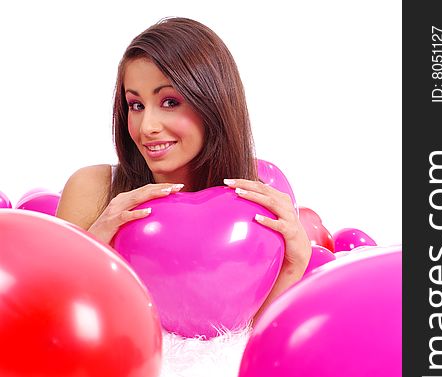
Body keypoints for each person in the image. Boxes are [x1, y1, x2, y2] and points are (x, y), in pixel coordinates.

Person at [57, 17, 311, 324]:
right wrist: (95, 245)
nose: (147, 126)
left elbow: (246, 343)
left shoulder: (262, 197)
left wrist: (294, 266)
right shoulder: (93, 188)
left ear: (213, 104)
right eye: (136, 105)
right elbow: (50, 317)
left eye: (169, 101)